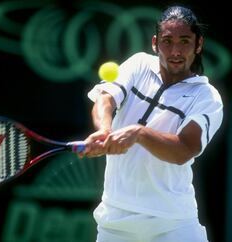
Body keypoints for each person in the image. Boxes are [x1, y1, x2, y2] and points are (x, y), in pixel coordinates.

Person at [82, 4, 223, 242]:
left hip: (173, 225)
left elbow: (184, 150)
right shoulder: (138, 64)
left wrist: (139, 133)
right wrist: (105, 130)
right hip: (114, 222)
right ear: (155, 43)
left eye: (185, 41)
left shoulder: (207, 97)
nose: (176, 50)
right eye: (168, 41)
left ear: (198, 45)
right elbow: (105, 99)